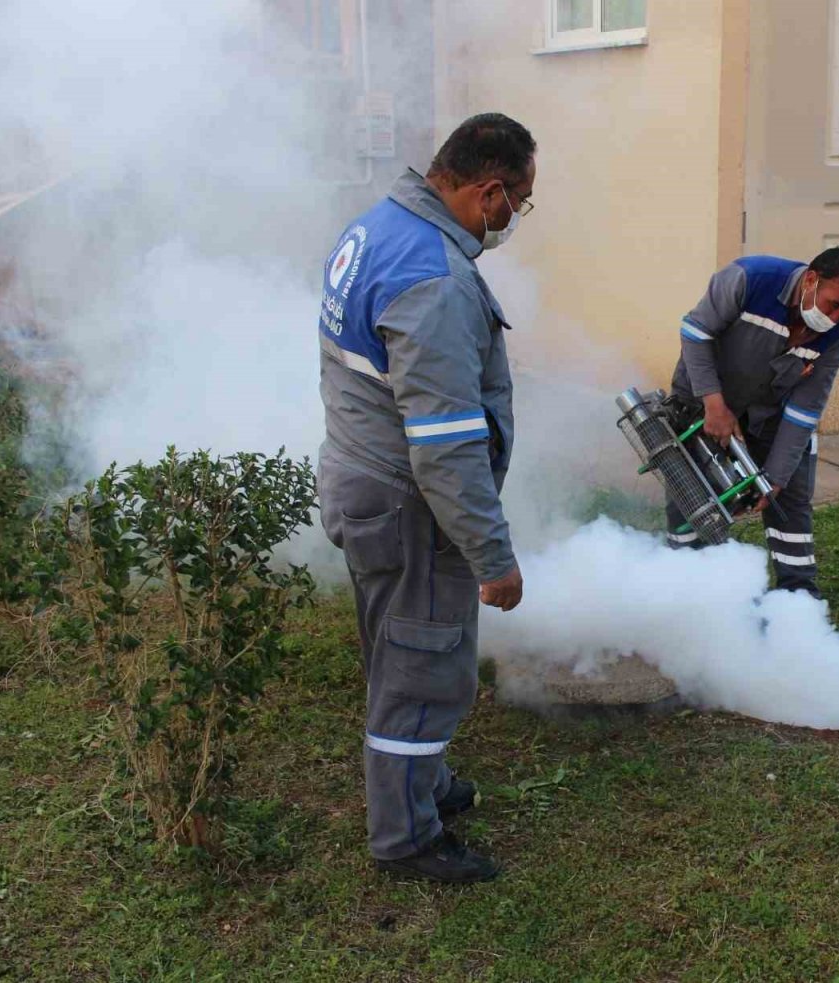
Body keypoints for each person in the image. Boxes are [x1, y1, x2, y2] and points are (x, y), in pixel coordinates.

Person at [315, 113, 535, 884]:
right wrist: (492, 555)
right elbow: (444, 444)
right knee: (424, 665)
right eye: (520, 202)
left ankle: (426, 784)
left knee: (400, 648)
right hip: (411, 505)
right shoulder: (434, 278)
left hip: (363, 481)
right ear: (490, 189)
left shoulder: (378, 227)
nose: (515, 219)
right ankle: (407, 835)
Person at [666, 248, 839, 599]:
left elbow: (804, 411)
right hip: (704, 397)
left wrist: (776, 476)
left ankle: (798, 597)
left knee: (789, 498)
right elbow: (695, 332)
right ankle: (683, 581)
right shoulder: (749, 278)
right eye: (834, 304)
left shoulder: (836, 336)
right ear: (811, 279)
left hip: (770, 413)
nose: (837, 318)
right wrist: (714, 405)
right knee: (692, 487)